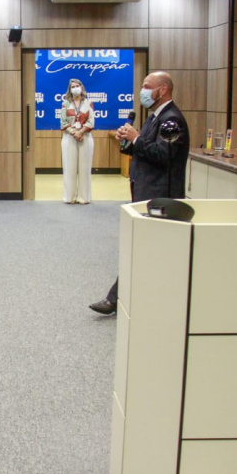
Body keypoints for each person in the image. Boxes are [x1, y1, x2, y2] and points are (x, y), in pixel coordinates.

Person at [89, 71, 189, 315]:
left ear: (162, 89)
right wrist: (129, 140)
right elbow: (146, 150)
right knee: (147, 248)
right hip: (146, 189)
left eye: (147, 86)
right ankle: (130, 297)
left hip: (161, 194)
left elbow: (164, 156)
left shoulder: (171, 120)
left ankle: (115, 299)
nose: (143, 91)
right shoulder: (154, 117)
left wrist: (137, 139)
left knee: (146, 248)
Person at [59, 78, 95, 204]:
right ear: (70, 89)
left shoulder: (88, 103)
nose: (75, 88)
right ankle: (69, 197)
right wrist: (74, 132)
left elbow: (91, 121)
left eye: (77, 85)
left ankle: (84, 197)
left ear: (82, 87)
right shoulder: (65, 104)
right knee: (69, 168)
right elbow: (63, 122)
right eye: (73, 86)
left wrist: (81, 131)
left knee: (85, 169)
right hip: (69, 138)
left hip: (85, 137)